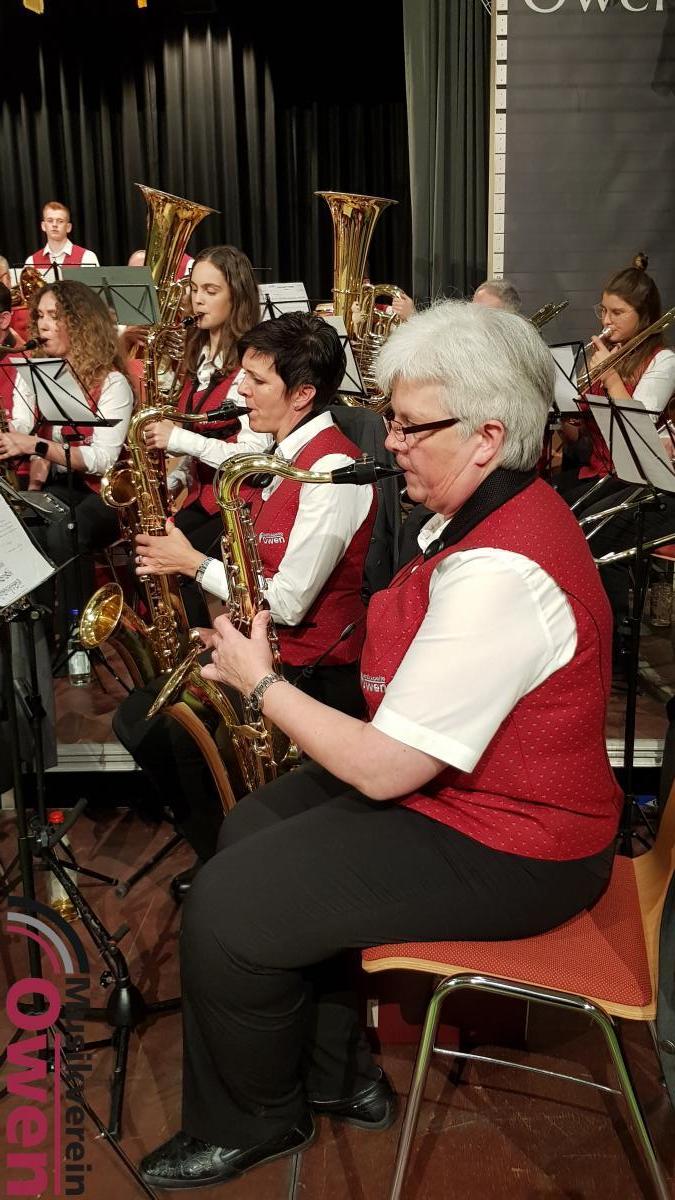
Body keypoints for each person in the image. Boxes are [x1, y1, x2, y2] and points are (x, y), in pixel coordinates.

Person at [139, 300, 622, 1191]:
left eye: (408, 425)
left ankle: (255, 1120)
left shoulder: (500, 571)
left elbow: (385, 766)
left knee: (227, 902)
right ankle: (338, 1075)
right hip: (473, 801)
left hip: (525, 846)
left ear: (485, 437)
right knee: (249, 828)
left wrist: (261, 683)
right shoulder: (493, 511)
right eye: (389, 420)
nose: (389, 441)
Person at [113, 312, 376, 870]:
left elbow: (289, 602)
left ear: (302, 394)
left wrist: (191, 563)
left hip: (311, 672)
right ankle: (227, 855)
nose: (239, 391)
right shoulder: (278, 453)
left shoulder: (330, 471)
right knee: (141, 721)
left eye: (257, 380)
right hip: (263, 652)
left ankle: (234, 863)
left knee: (167, 734)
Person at [141, 246, 268, 622]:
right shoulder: (199, 356)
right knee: (148, 556)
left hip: (237, 504)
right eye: (194, 289)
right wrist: (176, 478)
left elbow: (252, 456)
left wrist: (178, 439)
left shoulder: (249, 367)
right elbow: (200, 438)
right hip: (204, 495)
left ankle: (201, 643)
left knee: (169, 563)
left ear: (237, 297)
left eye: (211, 291)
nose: (197, 299)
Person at [0, 280, 133, 636]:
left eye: (54, 316)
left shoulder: (113, 382)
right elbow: (22, 426)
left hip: (107, 494)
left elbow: (103, 459)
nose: (42, 325)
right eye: (39, 316)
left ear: (79, 323)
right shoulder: (37, 372)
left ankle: (77, 634)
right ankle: (37, 636)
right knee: (22, 526)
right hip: (63, 486)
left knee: (66, 531)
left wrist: (34, 445)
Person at [559, 255, 675, 645]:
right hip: (604, 470)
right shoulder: (608, 353)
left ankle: (614, 635)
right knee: (561, 518)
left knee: (595, 534)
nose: (607, 321)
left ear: (644, 316)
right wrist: (564, 409)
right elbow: (580, 434)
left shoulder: (663, 361)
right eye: (604, 310)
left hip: (645, 478)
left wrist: (609, 376)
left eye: (618, 313)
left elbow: (637, 423)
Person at [24, 201, 99, 271]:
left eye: (60, 221)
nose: (54, 225)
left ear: (68, 227)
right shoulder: (31, 262)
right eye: (50, 221)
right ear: (43, 226)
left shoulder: (87, 257)